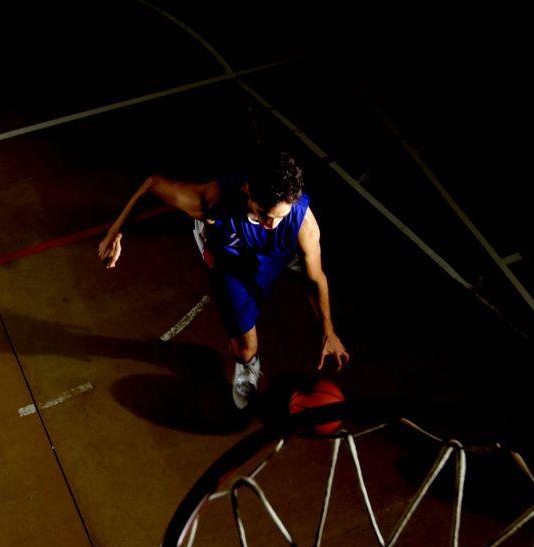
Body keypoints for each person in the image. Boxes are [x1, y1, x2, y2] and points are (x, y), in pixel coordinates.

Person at [98, 149, 349, 409]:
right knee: (245, 349)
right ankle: (248, 365)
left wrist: (328, 330)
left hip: (274, 253)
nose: (272, 223)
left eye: (280, 217)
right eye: (265, 213)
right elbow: (152, 184)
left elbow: (315, 279)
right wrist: (116, 233)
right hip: (230, 259)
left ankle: (283, 257)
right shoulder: (211, 201)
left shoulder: (303, 223)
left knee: (302, 257)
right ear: (248, 190)